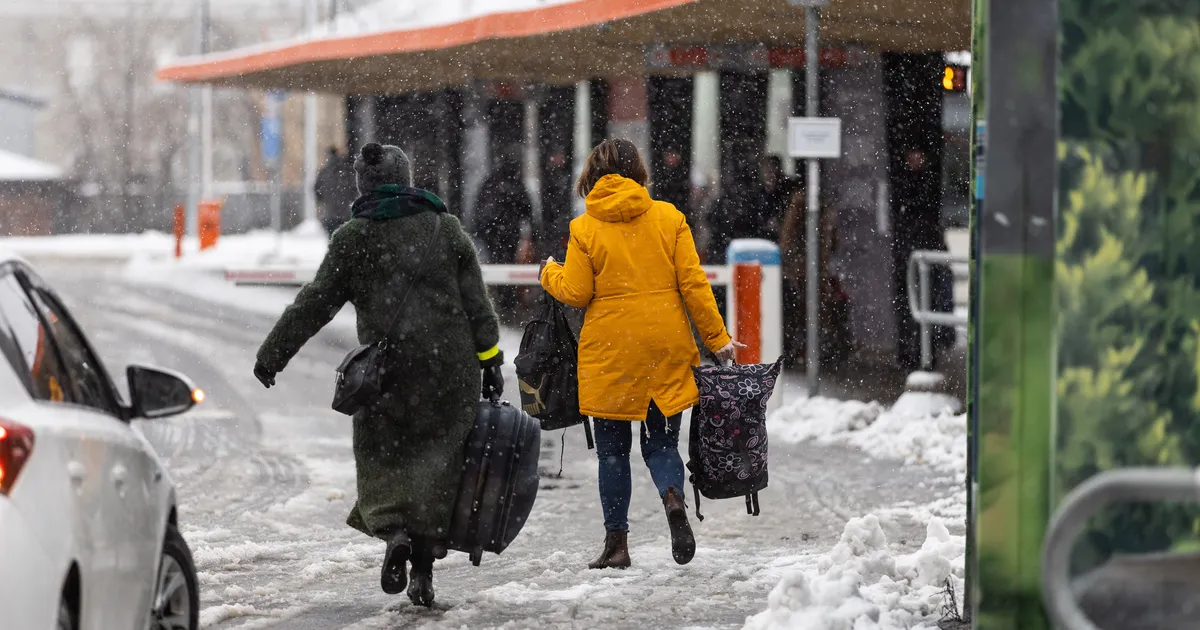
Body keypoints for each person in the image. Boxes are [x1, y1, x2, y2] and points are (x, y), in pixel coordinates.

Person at [252, 142, 505, 607]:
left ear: (361, 185)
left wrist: (273, 354)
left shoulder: (353, 237)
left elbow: (316, 303)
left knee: (383, 460)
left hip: (386, 374)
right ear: (407, 180)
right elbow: (477, 302)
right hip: (450, 371)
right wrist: (490, 360)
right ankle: (423, 569)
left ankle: (395, 533)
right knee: (439, 464)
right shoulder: (444, 228)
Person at [540, 138, 743, 570]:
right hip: (665, 346)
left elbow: (576, 292)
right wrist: (717, 338)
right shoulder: (669, 218)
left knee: (613, 453)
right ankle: (672, 498)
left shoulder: (584, 228)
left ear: (592, 176)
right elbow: (694, 284)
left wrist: (549, 273)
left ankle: (617, 545)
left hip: (611, 351)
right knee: (662, 443)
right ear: (639, 172)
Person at [474, 154, 534, 311]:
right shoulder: (514, 184)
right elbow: (527, 208)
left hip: (495, 233)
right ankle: (507, 300)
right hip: (506, 233)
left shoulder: (491, 183)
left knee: (498, 263)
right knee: (506, 262)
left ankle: (502, 299)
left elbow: (480, 210)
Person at [314, 147, 359, 237]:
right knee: (345, 237)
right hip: (345, 212)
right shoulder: (346, 171)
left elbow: (317, 191)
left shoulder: (324, 172)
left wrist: (322, 202)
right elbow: (355, 189)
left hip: (330, 213)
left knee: (332, 238)